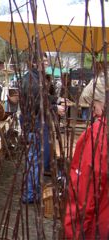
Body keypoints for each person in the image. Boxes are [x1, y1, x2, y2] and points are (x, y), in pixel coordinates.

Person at [64, 62, 109, 239]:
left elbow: (86, 194)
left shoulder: (98, 135)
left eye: (94, 105)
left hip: (98, 227)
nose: (93, 111)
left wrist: (73, 232)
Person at [20, 52, 66, 203]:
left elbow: (43, 97)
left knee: (37, 159)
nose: (46, 64)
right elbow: (36, 105)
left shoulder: (34, 78)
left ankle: (33, 192)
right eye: (44, 62)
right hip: (34, 124)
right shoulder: (32, 80)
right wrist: (54, 108)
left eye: (46, 62)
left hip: (35, 123)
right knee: (34, 159)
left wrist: (56, 100)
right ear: (35, 63)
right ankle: (29, 195)